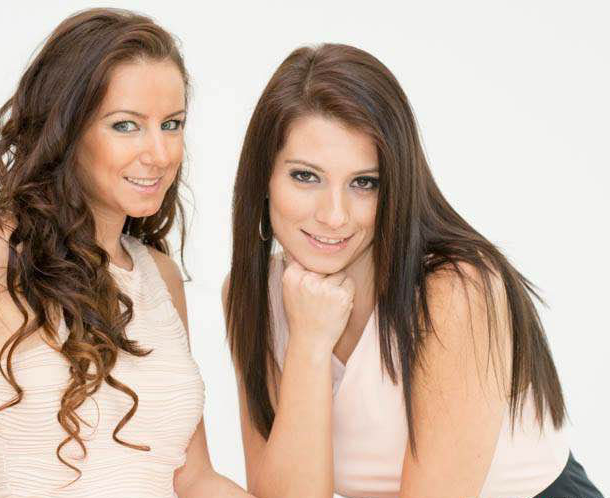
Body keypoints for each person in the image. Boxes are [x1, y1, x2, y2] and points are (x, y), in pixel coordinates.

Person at [223, 43, 603, 498]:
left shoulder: (456, 291)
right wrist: (309, 341)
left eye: (364, 183)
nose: (334, 215)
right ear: (263, 177)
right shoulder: (255, 294)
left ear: (396, 187)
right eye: (306, 176)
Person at [0, 8, 252, 498]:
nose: (160, 153)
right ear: (68, 130)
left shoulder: (158, 275)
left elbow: (194, 477)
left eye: (172, 124)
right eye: (126, 125)